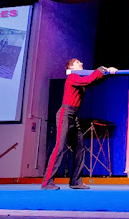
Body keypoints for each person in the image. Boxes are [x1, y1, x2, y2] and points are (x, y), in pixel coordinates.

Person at [41, 58, 117, 190]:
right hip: (65, 114)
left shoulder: (79, 80)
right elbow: (88, 80)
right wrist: (101, 69)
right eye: (77, 63)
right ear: (71, 67)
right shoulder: (72, 77)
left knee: (79, 148)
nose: (81, 63)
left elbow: (93, 81)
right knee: (60, 147)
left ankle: (75, 181)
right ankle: (47, 182)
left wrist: (107, 73)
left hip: (73, 115)